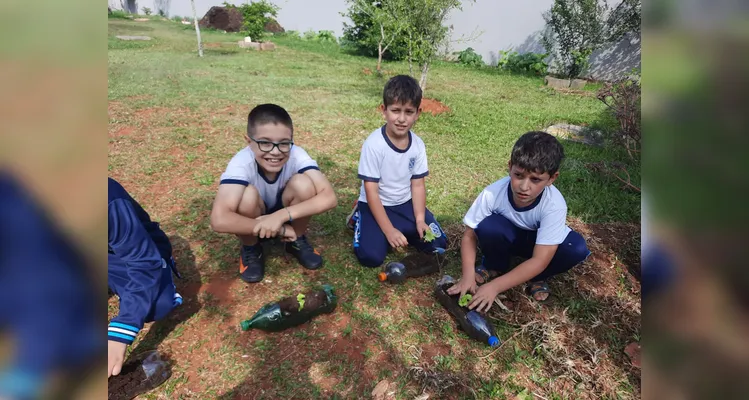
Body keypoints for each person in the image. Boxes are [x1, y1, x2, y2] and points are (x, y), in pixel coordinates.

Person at [448, 131, 590, 311]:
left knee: (575, 248)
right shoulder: (493, 193)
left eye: (536, 180)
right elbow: (469, 236)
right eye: (519, 175)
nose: (524, 187)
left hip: (539, 244)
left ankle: (538, 277)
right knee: (489, 226)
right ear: (510, 167)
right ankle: (494, 265)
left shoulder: (554, 204)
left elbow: (540, 259)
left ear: (552, 179)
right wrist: (467, 275)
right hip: (509, 235)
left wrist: (494, 287)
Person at [210, 103, 337, 283]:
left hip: (285, 211)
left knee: (304, 184)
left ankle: (296, 239)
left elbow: (330, 197)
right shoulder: (241, 163)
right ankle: (251, 247)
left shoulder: (297, 154)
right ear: (248, 141)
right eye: (265, 143)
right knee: (246, 197)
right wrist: (280, 228)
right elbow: (219, 219)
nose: (275, 152)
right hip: (254, 217)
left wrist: (281, 216)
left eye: (284, 143)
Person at [348, 75, 447, 268]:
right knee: (371, 257)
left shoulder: (418, 145)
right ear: (384, 110)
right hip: (375, 203)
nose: (402, 119)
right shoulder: (374, 145)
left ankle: (406, 226)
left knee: (438, 243)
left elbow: (418, 185)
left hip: (404, 204)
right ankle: (359, 216)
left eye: (408, 112)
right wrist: (388, 231)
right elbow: (371, 192)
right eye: (395, 111)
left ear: (418, 113)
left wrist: (419, 219)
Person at [108, 177, 182, 378]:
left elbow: (143, 262)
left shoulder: (106, 200)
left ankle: (166, 275)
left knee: (157, 303)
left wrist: (119, 334)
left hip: (123, 256)